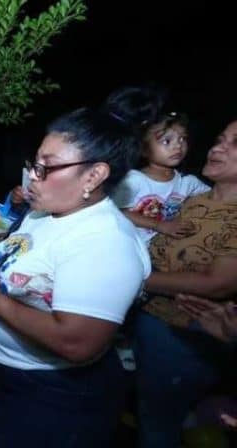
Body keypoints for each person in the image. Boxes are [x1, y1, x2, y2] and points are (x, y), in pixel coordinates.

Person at [0, 87, 157, 447]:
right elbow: (35, 279)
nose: (32, 176)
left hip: (55, 394)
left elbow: (75, 342)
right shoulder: (45, 211)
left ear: (93, 177)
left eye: (46, 168)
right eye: (35, 164)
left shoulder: (105, 243)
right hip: (8, 373)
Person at [133, 119, 237, 448]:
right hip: (143, 323)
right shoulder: (194, 200)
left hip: (184, 337)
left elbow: (216, 283)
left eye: (234, 143)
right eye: (219, 138)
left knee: (159, 430)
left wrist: (136, 280)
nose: (217, 146)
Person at [113, 110, 210, 244]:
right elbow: (115, 211)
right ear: (144, 149)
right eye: (167, 141)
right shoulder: (133, 180)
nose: (178, 145)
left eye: (183, 139)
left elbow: (218, 195)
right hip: (128, 247)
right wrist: (159, 225)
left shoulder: (187, 182)